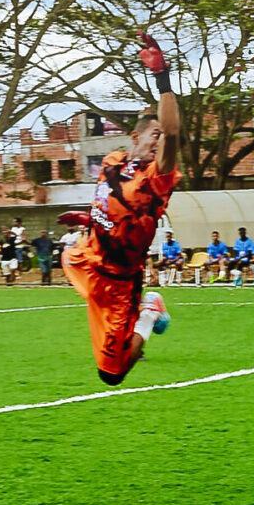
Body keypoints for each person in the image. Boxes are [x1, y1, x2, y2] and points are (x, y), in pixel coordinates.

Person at [56, 31, 180, 385]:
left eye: (162, 136)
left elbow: (172, 131)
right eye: (153, 134)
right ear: (136, 138)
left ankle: (149, 312)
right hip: (85, 259)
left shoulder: (158, 177)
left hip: (120, 283)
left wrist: (162, 77)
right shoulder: (112, 161)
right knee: (65, 255)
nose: (161, 140)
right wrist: (88, 219)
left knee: (113, 373)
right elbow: (109, 204)